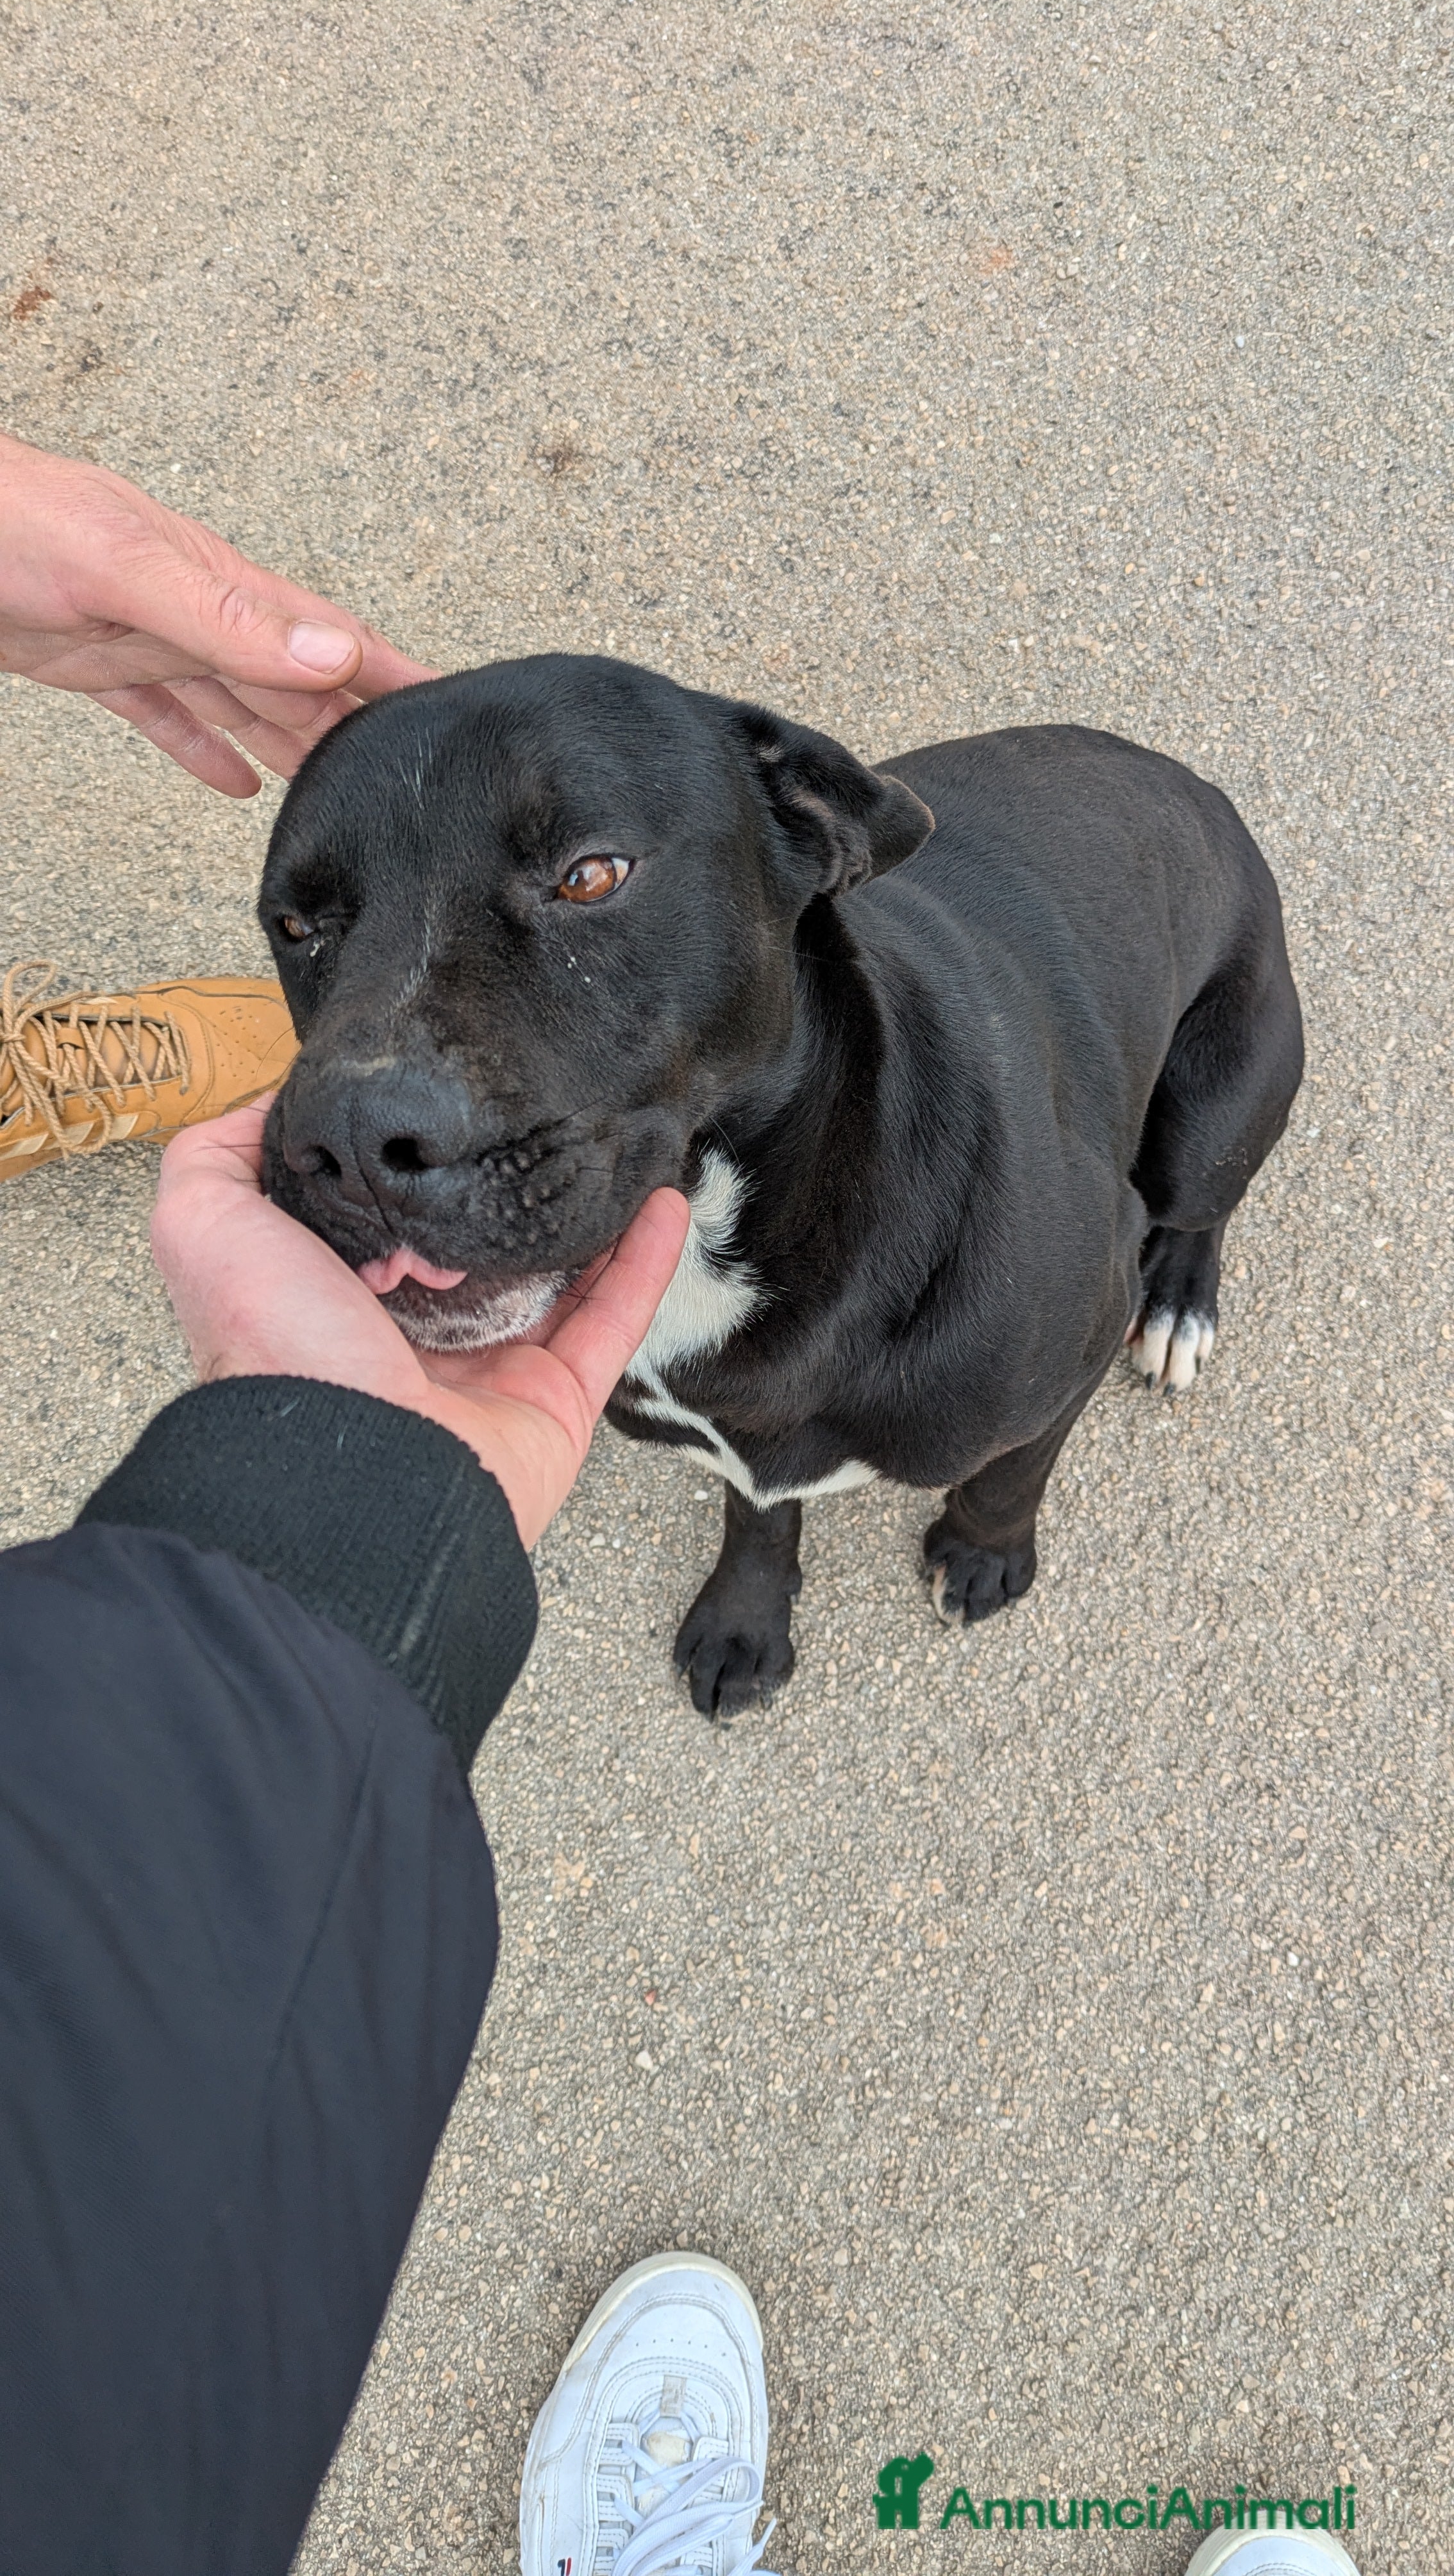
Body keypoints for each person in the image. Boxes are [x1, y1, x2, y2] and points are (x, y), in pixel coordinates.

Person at [0, 437, 1357, 2576]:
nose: (374, 1086)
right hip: (696, 1302)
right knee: (731, 1441)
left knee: (1162, 1201)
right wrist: (707, 1525)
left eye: (586, 880)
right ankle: (766, 1521)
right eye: (318, 929)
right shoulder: (579, 1213)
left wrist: (1000, 1496)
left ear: (801, 857)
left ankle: (1171, 1262)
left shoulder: (995, 1274)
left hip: (1150, 1018)